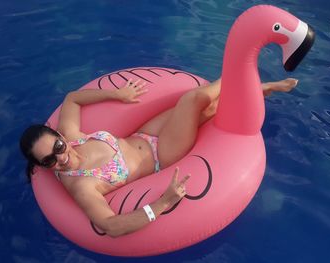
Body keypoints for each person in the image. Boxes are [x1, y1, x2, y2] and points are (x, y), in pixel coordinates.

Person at [20, 77, 298, 237]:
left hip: (144, 133)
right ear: (42, 166)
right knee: (193, 100)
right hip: (161, 155)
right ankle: (249, 79)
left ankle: (254, 88)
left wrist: (117, 93)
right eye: (49, 161)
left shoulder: (71, 137)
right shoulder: (82, 186)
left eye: (57, 147)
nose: (61, 158)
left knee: (207, 110)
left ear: (58, 136)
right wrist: (162, 203)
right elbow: (110, 226)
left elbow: (71, 98)